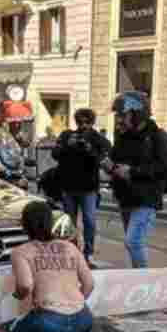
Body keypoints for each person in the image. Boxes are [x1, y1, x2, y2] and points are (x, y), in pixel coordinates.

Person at [9, 201, 95, 332]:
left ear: (24, 224)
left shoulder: (21, 252)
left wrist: (17, 295)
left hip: (47, 321)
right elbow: (89, 284)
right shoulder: (70, 247)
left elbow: (25, 285)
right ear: (50, 222)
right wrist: (72, 304)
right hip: (83, 318)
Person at [105, 91, 167, 269]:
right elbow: (114, 160)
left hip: (146, 198)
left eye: (122, 114)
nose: (119, 119)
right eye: (118, 115)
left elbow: (166, 168)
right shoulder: (123, 136)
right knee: (133, 243)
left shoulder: (158, 136)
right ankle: (136, 276)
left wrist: (133, 172)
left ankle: (143, 279)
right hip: (126, 197)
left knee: (133, 241)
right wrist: (109, 166)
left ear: (136, 114)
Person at [51, 108, 111, 267]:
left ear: (92, 122)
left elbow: (104, 158)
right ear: (76, 122)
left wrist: (90, 149)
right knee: (69, 222)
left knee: (89, 221)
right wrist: (67, 146)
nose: (83, 125)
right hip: (68, 186)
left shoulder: (98, 139)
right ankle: (72, 252)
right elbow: (55, 154)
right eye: (80, 122)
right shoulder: (67, 135)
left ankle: (88, 253)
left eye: (87, 122)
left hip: (89, 188)